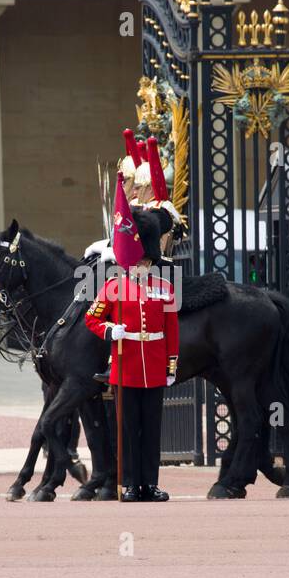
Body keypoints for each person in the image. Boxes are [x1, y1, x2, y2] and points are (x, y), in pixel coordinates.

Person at [84, 180, 179, 502]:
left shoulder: (164, 290)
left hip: (153, 368)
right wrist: (111, 331)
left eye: (146, 264)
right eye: (137, 264)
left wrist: (171, 366)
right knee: (126, 431)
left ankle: (149, 484)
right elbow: (92, 319)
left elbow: (172, 332)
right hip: (124, 368)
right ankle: (128, 484)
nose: (141, 268)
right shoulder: (113, 288)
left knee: (152, 431)